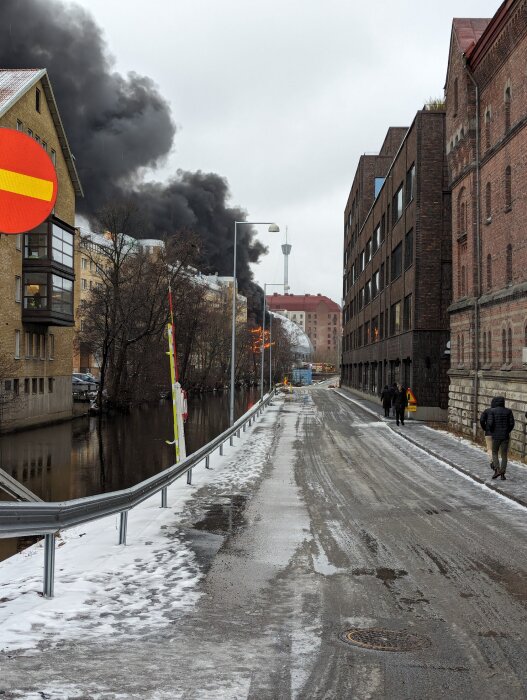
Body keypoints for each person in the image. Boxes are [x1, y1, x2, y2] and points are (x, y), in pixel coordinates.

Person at [487, 396, 515, 480]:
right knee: (504, 455)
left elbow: (490, 423)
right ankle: (502, 474)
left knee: (494, 452)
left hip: (496, 436)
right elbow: (512, 424)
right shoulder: (508, 411)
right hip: (505, 436)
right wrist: (507, 431)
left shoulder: (492, 411)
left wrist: (492, 431)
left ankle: (497, 470)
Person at [480, 397, 500, 469]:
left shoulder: (487, 411)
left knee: (489, 449)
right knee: (496, 449)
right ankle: (496, 462)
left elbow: (482, 420)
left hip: (488, 433)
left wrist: (485, 428)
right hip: (498, 433)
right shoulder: (501, 411)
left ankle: (492, 461)